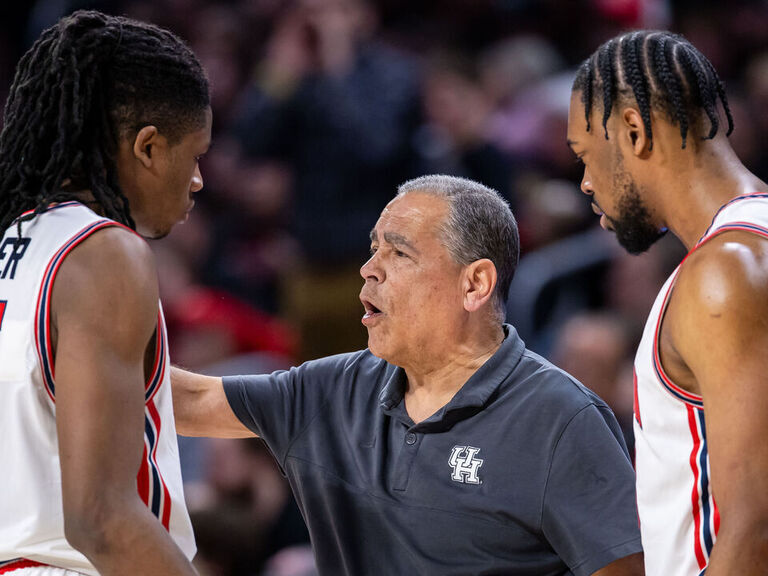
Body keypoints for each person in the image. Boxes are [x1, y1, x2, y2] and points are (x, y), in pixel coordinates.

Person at [172, 174, 644, 575]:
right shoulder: (333, 389)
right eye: (373, 248)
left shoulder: (560, 419)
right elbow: (186, 401)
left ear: (475, 283)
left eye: (398, 254)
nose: (367, 269)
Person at [0, 10, 211, 576]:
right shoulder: (102, 252)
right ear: (147, 148)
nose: (198, 180)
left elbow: (142, 397)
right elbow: (100, 518)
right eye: (194, 155)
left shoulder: (16, 242)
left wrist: (311, 402)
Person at [567, 30, 768, 576]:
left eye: (585, 155)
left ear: (633, 129)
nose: (584, 182)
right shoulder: (746, 246)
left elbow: (754, 527)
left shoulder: (723, 275)